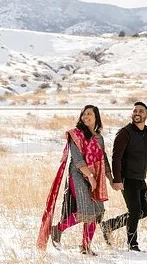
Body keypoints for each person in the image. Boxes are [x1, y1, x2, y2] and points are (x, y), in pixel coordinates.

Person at [37, 105, 112, 255]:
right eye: (84, 114)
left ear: (96, 117)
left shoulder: (99, 138)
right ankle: (58, 229)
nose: (86, 117)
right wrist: (90, 177)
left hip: (95, 176)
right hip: (78, 175)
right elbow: (78, 160)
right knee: (86, 209)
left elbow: (103, 159)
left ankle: (85, 246)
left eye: (89, 114)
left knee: (97, 210)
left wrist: (110, 178)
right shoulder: (75, 134)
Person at [100, 101, 147, 252]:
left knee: (143, 212)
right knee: (135, 211)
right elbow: (116, 157)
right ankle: (133, 245)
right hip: (127, 178)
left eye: (141, 111)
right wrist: (117, 179)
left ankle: (109, 225)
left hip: (140, 178)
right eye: (135, 111)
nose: (137, 113)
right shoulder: (125, 133)